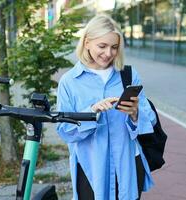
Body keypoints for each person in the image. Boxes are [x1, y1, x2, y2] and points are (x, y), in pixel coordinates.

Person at [56, 15, 157, 200]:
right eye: (102, 46)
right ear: (87, 43)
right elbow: (64, 130)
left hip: (127, 164)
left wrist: (135, 114)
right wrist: (91, 113)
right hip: (91, 169)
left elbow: (150, 120)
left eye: (114, 47)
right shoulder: (69, 82)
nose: (109, 53)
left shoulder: (128, 75)